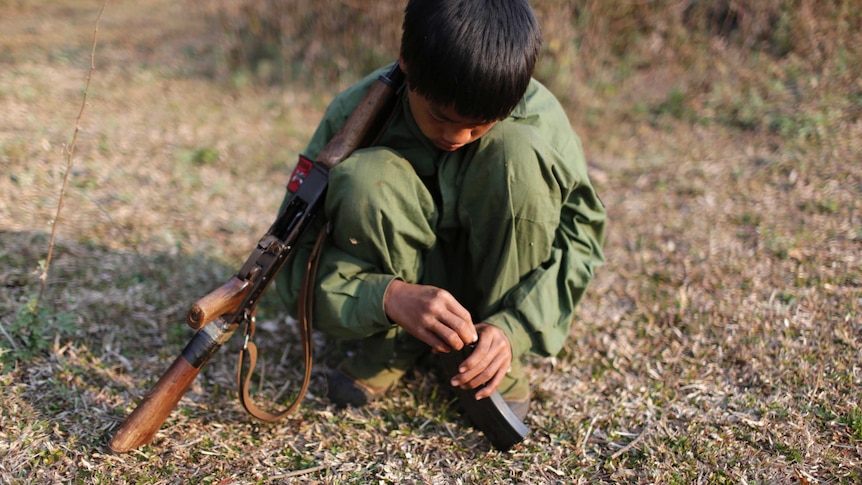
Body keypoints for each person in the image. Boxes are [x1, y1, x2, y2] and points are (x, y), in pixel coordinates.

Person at [272, 0, 606, 421]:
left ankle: (492, 349)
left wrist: (515, 327)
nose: (457, 136)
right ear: (407, 62)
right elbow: (292, 254)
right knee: (365, 176)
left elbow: (582, 238)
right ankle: (394, 345)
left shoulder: (537, 115)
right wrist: (386, 298)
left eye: (480, 125)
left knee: (517, 155)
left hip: (498, 299)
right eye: (440, 117)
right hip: (394, 306)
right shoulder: (355, 114)